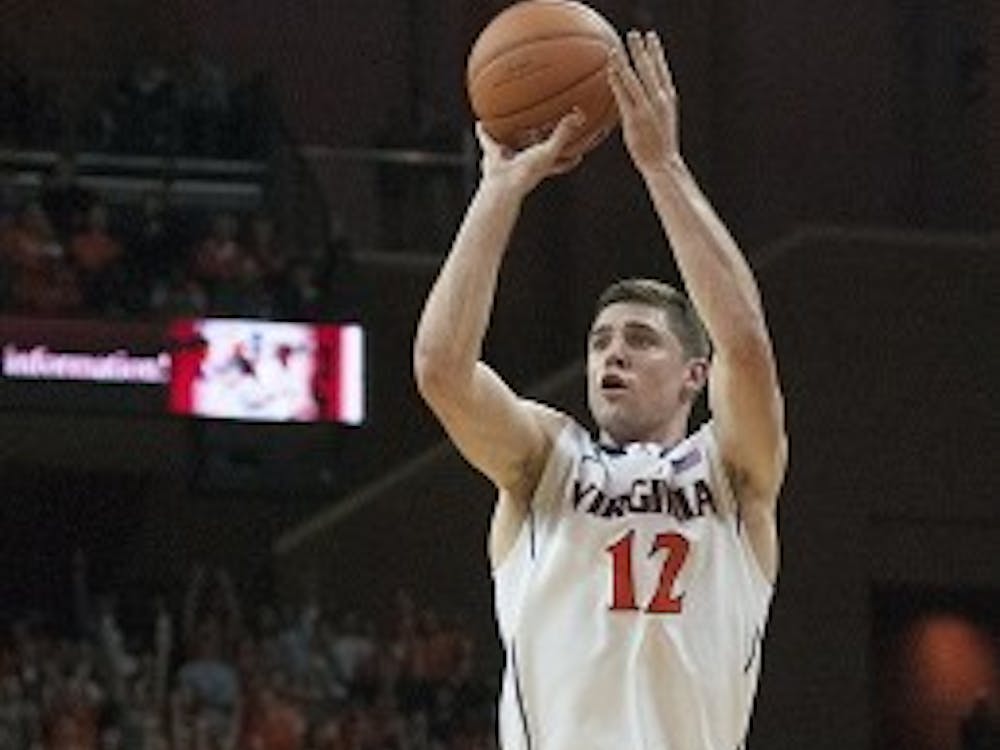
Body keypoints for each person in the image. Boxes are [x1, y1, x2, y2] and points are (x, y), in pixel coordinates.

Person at [413, 29, 787, 750]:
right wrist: (497, 192)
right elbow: (441, 369)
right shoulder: (545, 460)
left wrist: (663, 166)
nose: (612, 354)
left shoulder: (734, 473)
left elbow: (746, 344)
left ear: (693, 374)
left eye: (640, 340)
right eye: (600, 342)